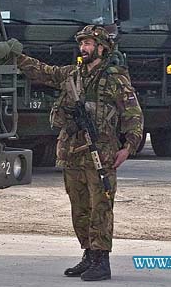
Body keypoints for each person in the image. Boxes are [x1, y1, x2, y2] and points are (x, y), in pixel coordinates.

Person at [16, 25, 143, 281]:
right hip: (73, 153)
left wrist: (128, 147)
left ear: (102, 48)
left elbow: (133, 114)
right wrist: (16, 56)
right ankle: (88, 254)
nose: (83, 48)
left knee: (101, 208)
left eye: (88, 44)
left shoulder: (115, 78)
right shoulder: (73, 75)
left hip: (101, 154)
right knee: (80, 208)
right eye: (82, 43)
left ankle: (101, 259)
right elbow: (43, 72)